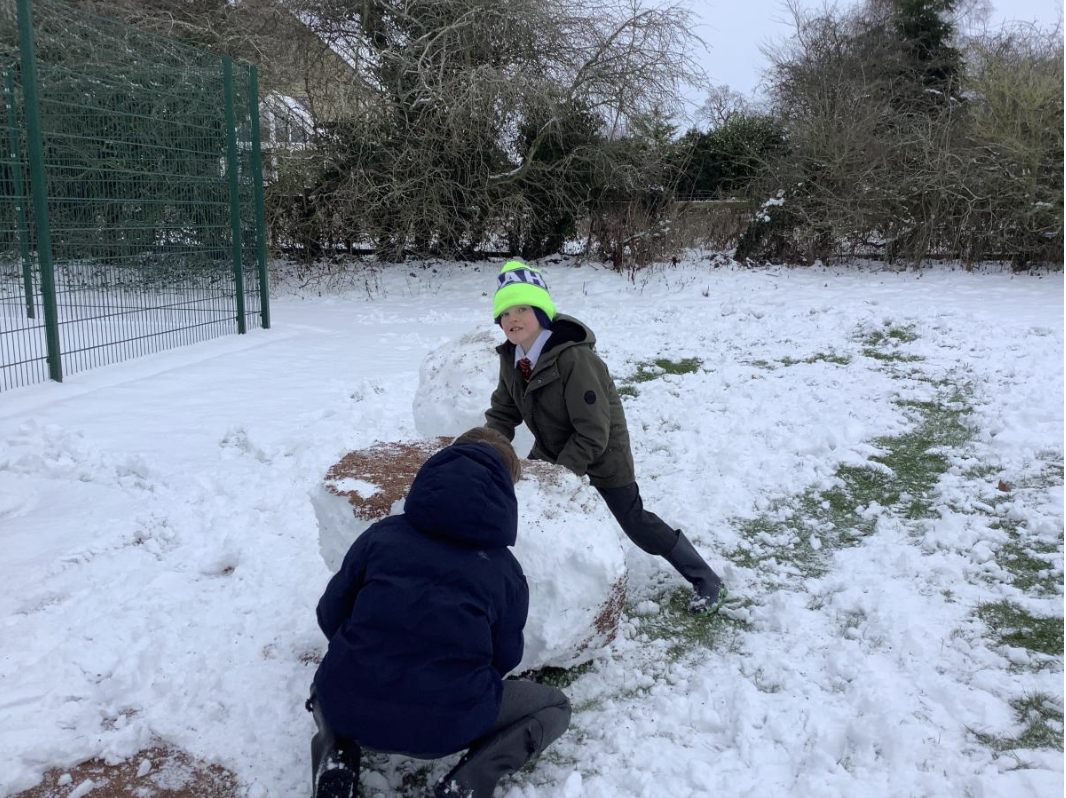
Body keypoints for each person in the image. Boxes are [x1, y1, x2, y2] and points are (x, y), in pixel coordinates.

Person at [307, 427, 572, 798]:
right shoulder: (506, 572)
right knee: (556, 706)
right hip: (448, 726)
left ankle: (336, 757)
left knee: (332, 678)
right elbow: (505, 657)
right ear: (504, 488)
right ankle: (468, 783)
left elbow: (330, 612)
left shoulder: (381, 536)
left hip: (351, 708)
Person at [485, 260, 726, 614]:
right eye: (505, 312)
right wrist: (483, 449)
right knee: (525, 508)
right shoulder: (513, 358)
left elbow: (593, 431)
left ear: (542, 312)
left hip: (603, 454)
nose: (513, 318)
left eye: (522, 308)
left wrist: (561, 477)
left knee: (636, 523)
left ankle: (705, 578)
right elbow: (504, 412)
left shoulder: (574, 359)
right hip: (551, 449)